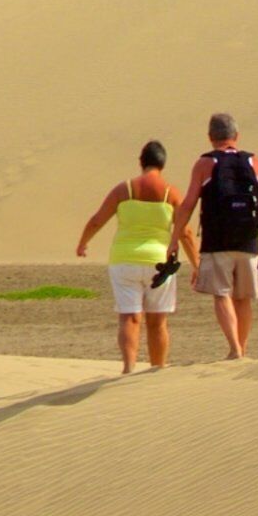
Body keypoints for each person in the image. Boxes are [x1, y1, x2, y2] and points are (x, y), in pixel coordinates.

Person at [73, 139, 183, 373]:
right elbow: (187, 232)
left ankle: (128, 368)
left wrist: (83, 243)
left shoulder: (124, 189)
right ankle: (158, 368)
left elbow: (97, 220)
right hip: (159, 263)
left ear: (141, 162)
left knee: (130, 317)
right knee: (157, 320)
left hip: (124, 260)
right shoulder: (170, 193)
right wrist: (197, 263)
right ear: (163, 164)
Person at [183, 112, 258, 360]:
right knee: (244, 297)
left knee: (222, 294)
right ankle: (243, 347)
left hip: (217, 241)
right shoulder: (255, 163)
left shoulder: (205, 164)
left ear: (210, 137)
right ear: (236, 136)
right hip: (248, 240)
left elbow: (188, 204)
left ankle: (235, 349)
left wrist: (175, 239)